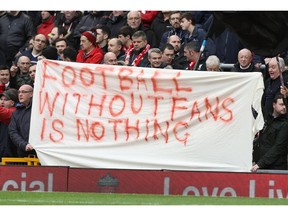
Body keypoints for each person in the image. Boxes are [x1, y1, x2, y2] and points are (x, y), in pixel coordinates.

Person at [251, 94, 288, 172]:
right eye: (281, 104)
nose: (284, 107)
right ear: (274, 105)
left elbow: (278, 148)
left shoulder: (285, 125)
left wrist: (260, 164)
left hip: (276, 169)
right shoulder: (267, 120)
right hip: (262, 165)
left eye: (285, 105)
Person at [9, 84, 36, 157]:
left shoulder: (38, 109)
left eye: (24, 92)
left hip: (39, 152)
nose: (20, 94)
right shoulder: (16, 113)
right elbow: (13, 132)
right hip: (23, 153)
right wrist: (24, 145)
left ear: (32, 94)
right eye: (19, 92)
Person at [0, 88, 19, 159]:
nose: (2, 102)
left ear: (12, 103)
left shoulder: (14, 112)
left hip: (9, 154)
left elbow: (3, 112)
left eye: (5, 100)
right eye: (1, 99)